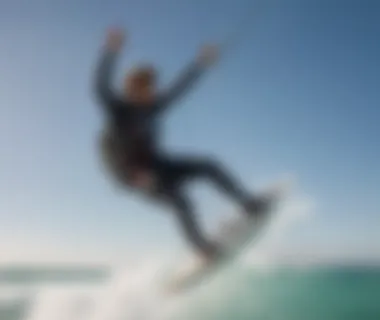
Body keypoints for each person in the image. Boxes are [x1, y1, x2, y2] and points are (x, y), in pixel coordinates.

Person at [94, 27, 267, 263]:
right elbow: (100, 88)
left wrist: (201, 63)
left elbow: (179, 89)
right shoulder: (119, 110)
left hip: (157, 163)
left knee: (209, 167)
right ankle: (202, 249)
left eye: (152, 87)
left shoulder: (153, 106)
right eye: (146, 87)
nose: (152, 91)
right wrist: (110, 51)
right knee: (181, 201)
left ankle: (248, 204)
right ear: (132, 89)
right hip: (131, 175)